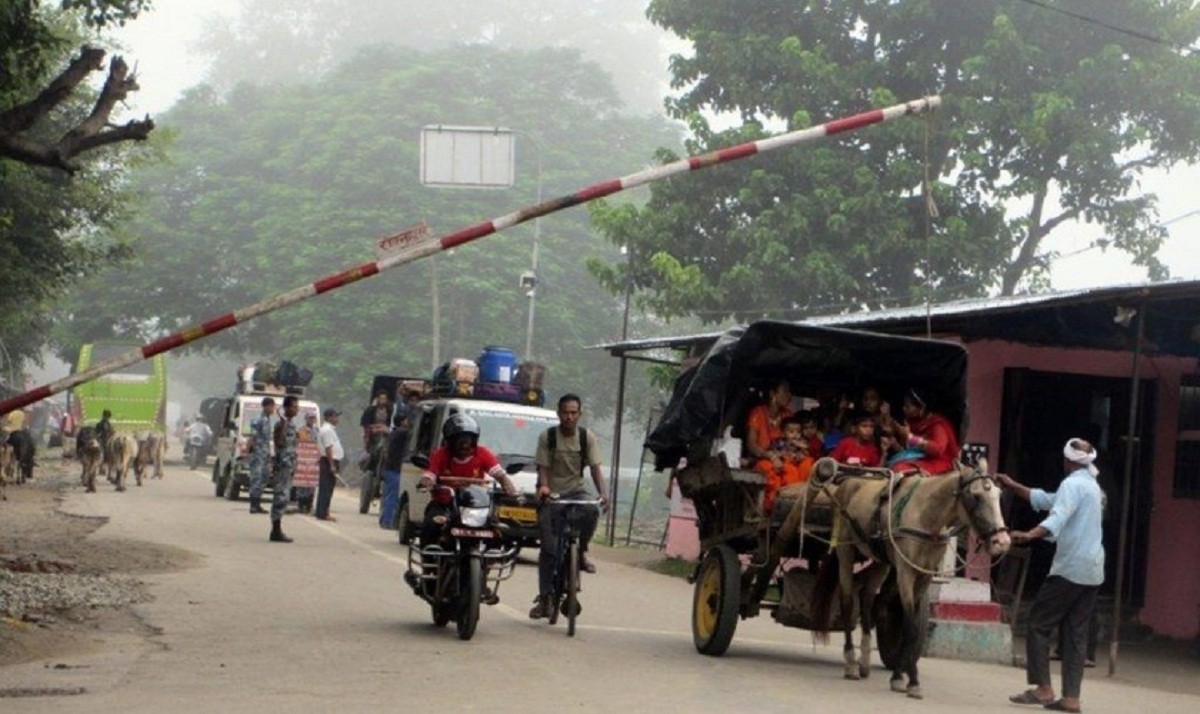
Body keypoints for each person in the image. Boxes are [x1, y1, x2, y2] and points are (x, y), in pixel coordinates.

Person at [999, 438, 1105, 714]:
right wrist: (1013, 486)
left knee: (1038, 623)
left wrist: (1028, 534)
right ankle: (1071, 698)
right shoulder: (1091, 486)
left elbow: (1056, 516)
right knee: (1075, 634)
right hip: (1092, 571)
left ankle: (1043, 688)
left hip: (1070, 568)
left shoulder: (1072, 485)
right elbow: (1046, 499)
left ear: (1067, 460)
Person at [529, 394, 608, 620]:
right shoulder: (548, 437)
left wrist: (603, 494)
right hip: (552, 494)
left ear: (579, 415)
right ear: (558, 413)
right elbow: (543, 467)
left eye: (574, 413)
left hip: (576, 491)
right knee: (549, 549)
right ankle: (544, 598)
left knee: (592, 510)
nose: (569, 417)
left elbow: (595, 469)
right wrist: (544, 487)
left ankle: (581, 551)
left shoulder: (586, 437)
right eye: (565, 412)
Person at [417, 413, 518, 542]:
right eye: (460, 441)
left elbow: (499, 474)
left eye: (468, 440)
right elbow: (429, 474)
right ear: (450, 442)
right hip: (445, 505)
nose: (465, 445)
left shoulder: (483, 454)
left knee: (498, 527)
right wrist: (426, 482)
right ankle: (429, 556)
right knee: (431, 523)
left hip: (475, 505)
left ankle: (493, 557)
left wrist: (509, 487)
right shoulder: (440, 455)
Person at [885, 388, 959, 474]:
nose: (904, 408)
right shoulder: (913, 422)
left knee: (900, 469)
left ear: (921, 407)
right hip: (921, 459)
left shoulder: (937, 425)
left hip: (938, 462)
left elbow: (937, 449)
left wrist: (911, 438)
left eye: (908, 406)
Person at [756, 415, 813, 512]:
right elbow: (772, 453)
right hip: (782, 470)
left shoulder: (801, 444)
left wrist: (801, 450)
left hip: (797, 473)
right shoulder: (779, 443)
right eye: (791, 432)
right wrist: (779, 458)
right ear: (783, 433)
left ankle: (802, 497)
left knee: (808, 463)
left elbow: (805, 453)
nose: (795, 435)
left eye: (798, 432)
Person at [269, 396, 300, 543]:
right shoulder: (281, 424)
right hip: (282, 465)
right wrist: (283, 424)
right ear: (287, 408)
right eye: (294, 406)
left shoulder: (292, 424)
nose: (297, 409)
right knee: (280, 496)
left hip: (289, 465)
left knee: (284, 496)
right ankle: (275, 530)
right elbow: (279, 442)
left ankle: (277, 528)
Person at [745, 379, 794, 471]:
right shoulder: (757, 413)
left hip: (784, 460)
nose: (790, 396)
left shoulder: (788, 415)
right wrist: (769, 455)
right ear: (772, 394)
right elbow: (751, 445)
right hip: (762, 460)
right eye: (785, 391)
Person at [247, 397, 277, 514]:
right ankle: (253, 505)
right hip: (257, 453)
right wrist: (248, 451)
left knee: (264, 478)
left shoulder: (268, 420)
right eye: (272, 406)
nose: (273, 409)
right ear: (266, 406)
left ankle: (257, 503)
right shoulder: (258, 420)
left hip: (265, 454)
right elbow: (252, 436)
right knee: (256, 478)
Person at [379, 411, 409, 529]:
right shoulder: (402, 433)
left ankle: (385, 520)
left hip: (389, 469)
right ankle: (388, 522)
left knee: (388, 496)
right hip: (394, 470)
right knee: (393, 497)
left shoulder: (394, 433)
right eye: (406, 420)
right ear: (402, 422)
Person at [314, 408, 344, 522]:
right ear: (329, 418)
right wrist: (332, 465)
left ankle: (323, 511)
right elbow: (328, 448)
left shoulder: (330, 429)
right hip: (329, 460)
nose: (337, 419)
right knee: (326, 488)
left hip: (329, 460)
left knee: (327, 488)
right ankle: (322, 513)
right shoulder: (327, 430)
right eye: (335, 416)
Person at [95, 409, 114, 475]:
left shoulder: (100, 423)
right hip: (105, 440)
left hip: (101, 439)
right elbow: (109, 432)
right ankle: (104, 468)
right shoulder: (106, 423)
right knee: (108, 454)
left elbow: (96, 432)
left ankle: (102, 468)